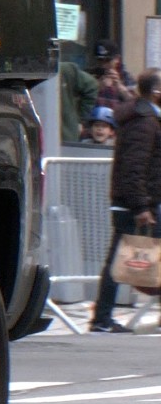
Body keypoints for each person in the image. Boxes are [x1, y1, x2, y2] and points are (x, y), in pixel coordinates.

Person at [90, 68, 161, 333]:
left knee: (119, 261)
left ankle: (101, 318)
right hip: (137, 205)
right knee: (117, 262)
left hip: (136, 203)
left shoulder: (144, 118)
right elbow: (134, 167)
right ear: (156, 93)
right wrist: (141, 206)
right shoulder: (144, 122)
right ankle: (101, 319)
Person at [59, 61, 98, 143]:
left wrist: (81, 119)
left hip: (64, 137)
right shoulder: (64, 70)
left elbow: (91, 85)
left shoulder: (64, 70)